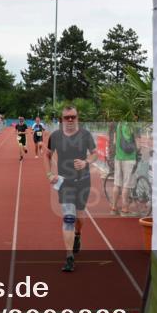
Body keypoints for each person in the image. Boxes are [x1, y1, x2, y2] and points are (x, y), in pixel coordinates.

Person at [44, 106, 99, 272]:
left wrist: (86, 162)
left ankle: (78, 235)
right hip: (65, 183)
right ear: (61, 119)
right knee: (69, 218)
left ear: (77, 118)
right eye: (66, 117)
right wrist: (49, 174)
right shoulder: (55, 136)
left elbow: (95, 153)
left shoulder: (85, 135)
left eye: (73, 117)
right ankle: (69, 257)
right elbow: (46, 155)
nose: (70, 120)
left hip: (83, 181)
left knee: (80, 218)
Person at [111, 120, 140, 216]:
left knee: (117, 184)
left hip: (118, 157)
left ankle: (114, 207)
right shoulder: (133, 125)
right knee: (126, 185)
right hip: (129, 158)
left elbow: (115, 142)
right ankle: (125, 209)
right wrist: (139, 152)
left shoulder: (118, 124)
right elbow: (138, 144)